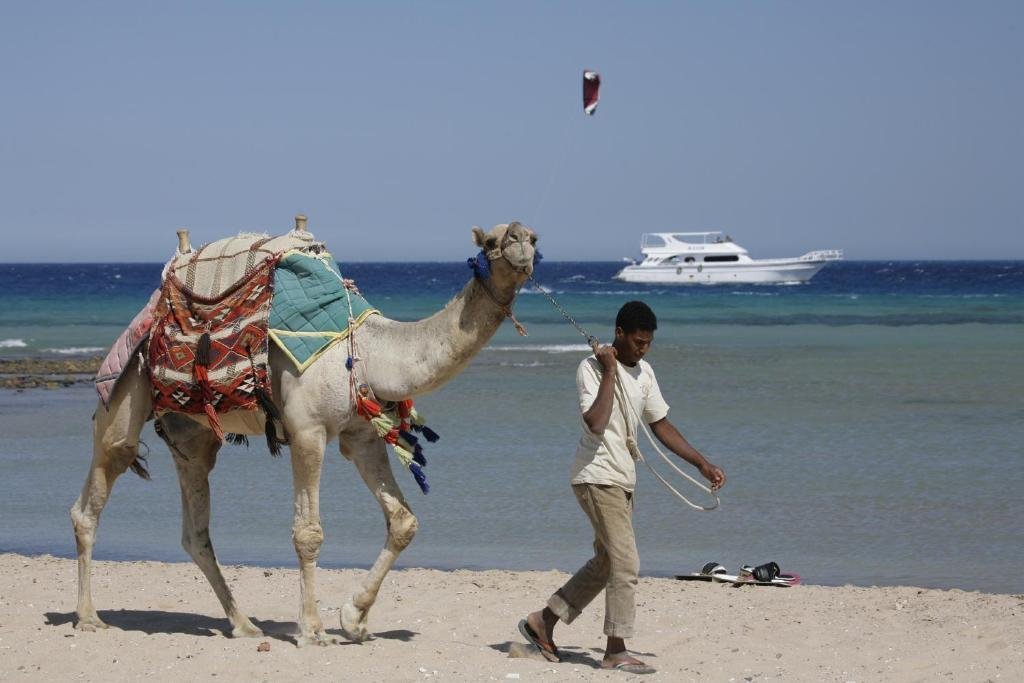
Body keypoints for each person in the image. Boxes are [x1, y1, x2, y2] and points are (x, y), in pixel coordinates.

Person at [518, 300, 726, 674]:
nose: (644, 349)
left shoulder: (645, 372)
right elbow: (595, 423)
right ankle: (615, 649)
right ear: (619, 334)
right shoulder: (591, 368)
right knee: (626, 562)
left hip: (623, 479)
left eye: (648, 343)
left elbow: (661, 424)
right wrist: (611, 370)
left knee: (606, 563)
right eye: (638, 342)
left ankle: (542, 622)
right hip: (596, 476)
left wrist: (701, 463)